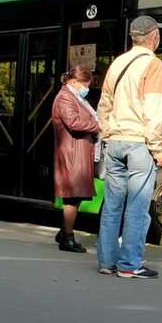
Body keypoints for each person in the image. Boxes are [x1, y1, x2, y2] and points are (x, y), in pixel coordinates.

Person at [96, 15, 162, 279]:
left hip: (114, 142)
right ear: (154, 36)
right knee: (137, 208)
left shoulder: (117, 63)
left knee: (112, 206)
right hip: (139, 144)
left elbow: (104, 105)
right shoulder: (154, 65)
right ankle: (129, 264)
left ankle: (106, 261)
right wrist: (158, 149)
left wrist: (108, 134)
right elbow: (153, 111)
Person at [52, 65, 99, 253]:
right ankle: (68, 239)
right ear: (73, 81)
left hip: (77, 152)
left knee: (77, 196)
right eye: (85, 84)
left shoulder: (74, 97)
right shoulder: (64, 97)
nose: (86, 88)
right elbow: (73, 122)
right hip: (71, 154)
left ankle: (64, 231)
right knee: (72, 198)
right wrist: (97, 125)